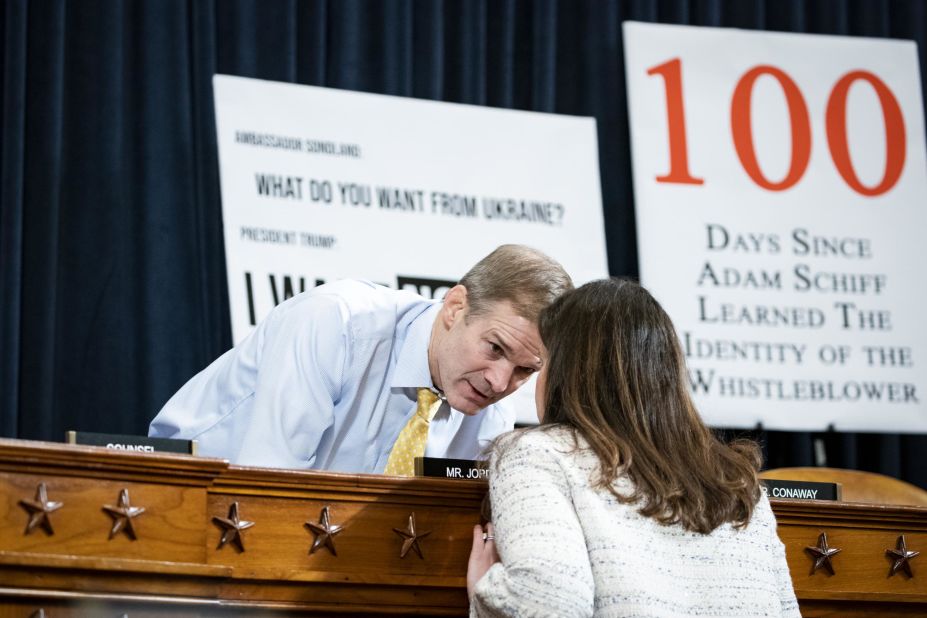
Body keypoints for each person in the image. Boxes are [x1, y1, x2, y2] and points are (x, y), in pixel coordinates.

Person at [466, 278, 800, 617]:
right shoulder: (740, 482)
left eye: (542, 362)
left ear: (568, 371)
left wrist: (486, 592)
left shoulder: (536, 453)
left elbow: (545, 602)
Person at [149, 245, 573, 472]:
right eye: (495, 348)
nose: (500, 383)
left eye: (524, 370)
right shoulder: (335, 323)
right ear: (455, 307)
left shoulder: (490, 410)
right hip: (182, 496)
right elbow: (272, 481)